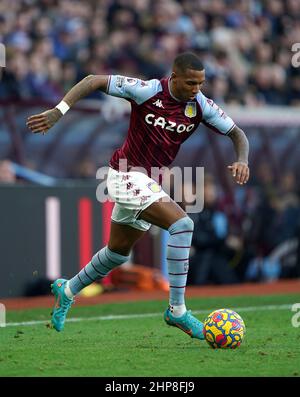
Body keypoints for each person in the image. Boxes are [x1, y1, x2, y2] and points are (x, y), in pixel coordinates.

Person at [27, 52, 250, 339]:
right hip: (125, 174)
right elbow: (94, 80)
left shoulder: (201, 106)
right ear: (174, 76)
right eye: (191, 83)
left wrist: (242, 160)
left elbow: (237, 134)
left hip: (149, 183)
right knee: (183, 225)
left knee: (117, 254)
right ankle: (177, 311)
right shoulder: (148, 90)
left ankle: (67, 289)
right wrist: (58, 110)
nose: (197, 89)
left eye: (201, 83)